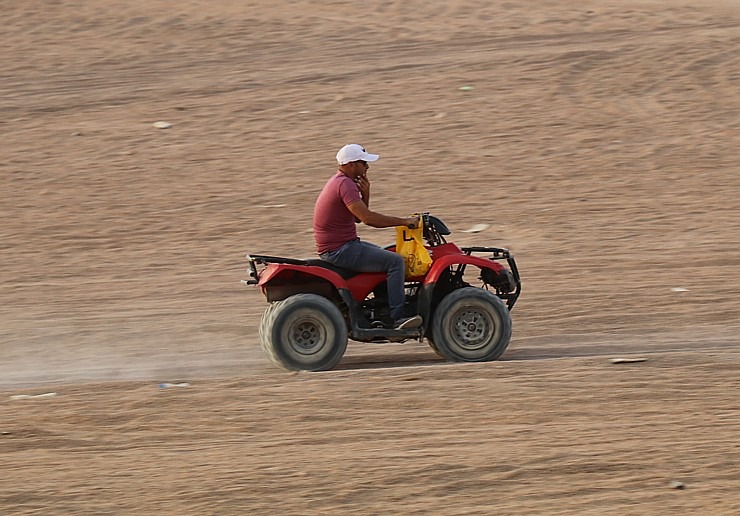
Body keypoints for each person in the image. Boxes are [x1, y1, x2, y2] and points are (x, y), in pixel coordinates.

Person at [313, 144, 423, 330]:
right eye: (364, 163)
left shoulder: (340, 181)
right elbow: (368, 219)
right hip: (340, 250)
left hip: (342, 246)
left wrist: (366, 193)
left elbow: (357, 218)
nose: (367, 167)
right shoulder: (345, 184)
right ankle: (398, 317)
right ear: (352, 164)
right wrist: (405, 222)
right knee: (395, 262)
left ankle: (383, 307)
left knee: (385, 254)